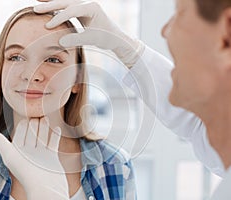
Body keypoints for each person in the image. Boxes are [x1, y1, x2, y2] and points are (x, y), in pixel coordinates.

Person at [32, 0, 231, 199]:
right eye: (16, 57)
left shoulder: (112, 165)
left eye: (180, 15)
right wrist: (124, 46)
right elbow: (196, 120)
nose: (165, 31)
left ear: (226, 34)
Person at [0, 6, 137, 200]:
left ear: (78, 78)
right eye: (16, 57)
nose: (32, 74)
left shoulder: (115, 165)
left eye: (53, 59)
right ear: (0, 71)